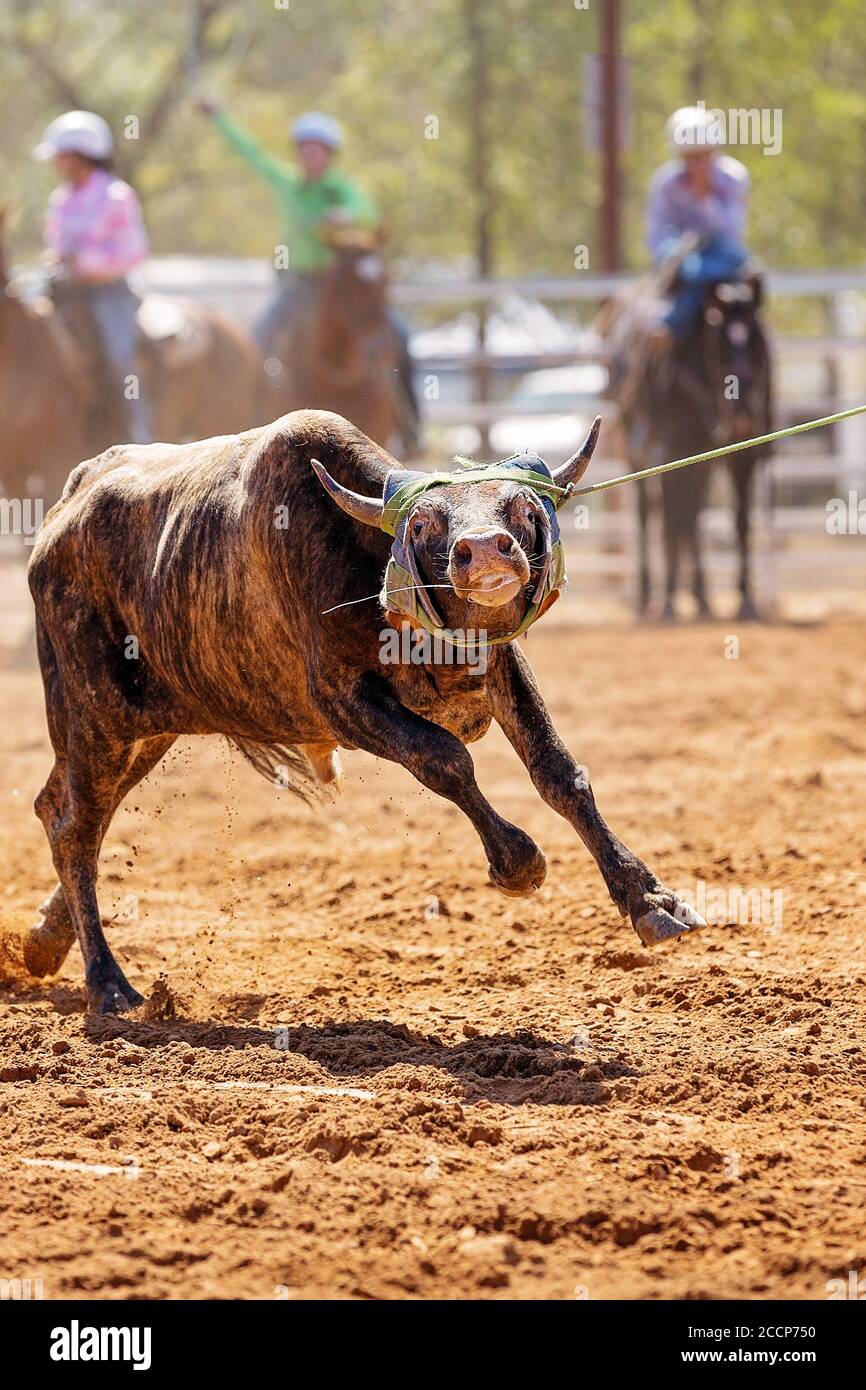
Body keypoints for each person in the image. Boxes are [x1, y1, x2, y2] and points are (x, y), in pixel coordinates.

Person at [198, 100, 419, 447]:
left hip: (338, 284)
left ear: (330, 155)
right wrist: (220, 117)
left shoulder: (341, 189)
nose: (310, 156)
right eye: (304, 149)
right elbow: (252, 153)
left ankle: (410, 428)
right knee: (258, 339)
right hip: (298, 284)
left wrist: (346, 214)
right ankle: (250, 427)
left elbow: (367, 212)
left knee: (399, 337)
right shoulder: (286, 183)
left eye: (317, 150)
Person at [33, 110, 153, 444]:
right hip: (64, 292)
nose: (57, 164)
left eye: (61, 156)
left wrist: (83, 261)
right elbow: (54, 244)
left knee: (119, 357)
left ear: (80, 156)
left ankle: (141, 434)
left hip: (110, 293)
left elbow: (135, 252)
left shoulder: (116, 195)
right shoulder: (60, 199)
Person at [646, 106, 752, 343]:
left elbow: (733, 229)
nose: (697, 164)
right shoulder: (665, 183)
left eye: (703, 155)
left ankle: (747, 338)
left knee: (740, 271)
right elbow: (657, 233)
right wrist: (677, 251)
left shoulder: (733, 177)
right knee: (691, 270)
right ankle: (673, 327)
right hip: (680, 250)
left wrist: (704, 197)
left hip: (721, 250)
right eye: (690, 157)